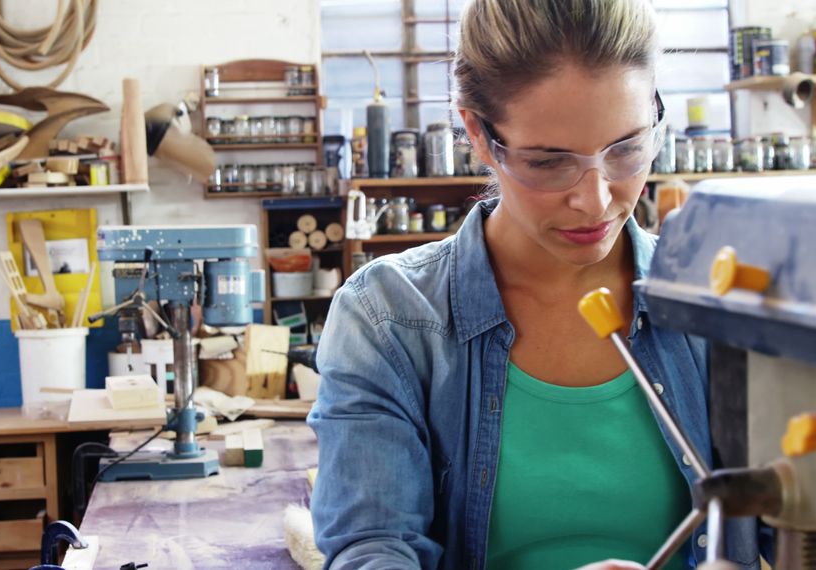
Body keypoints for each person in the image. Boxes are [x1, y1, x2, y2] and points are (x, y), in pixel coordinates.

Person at [307, 1, 769, 568]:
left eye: (626, 147)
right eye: (549, 163)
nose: (596, 200)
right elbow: (373, 547)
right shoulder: (388, 319)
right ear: (477, 132)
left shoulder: (719, 307)